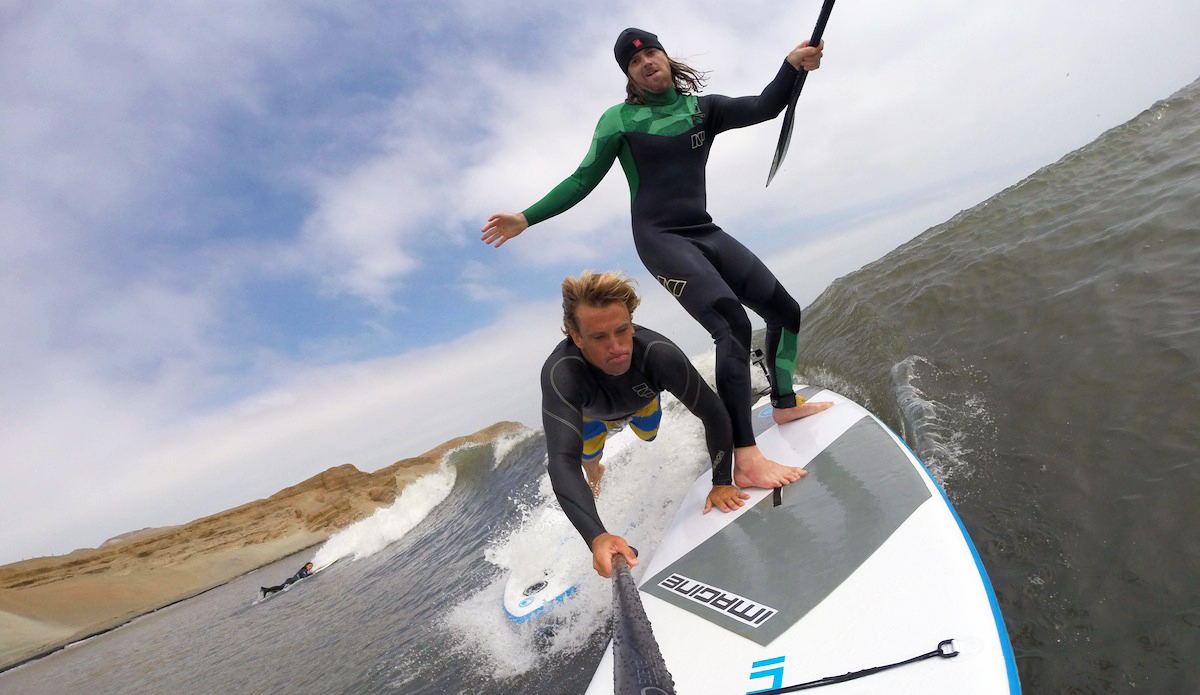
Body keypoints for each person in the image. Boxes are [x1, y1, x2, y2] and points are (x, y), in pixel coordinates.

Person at [483, 28, 832, 489]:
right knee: (731, 325)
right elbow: (582, 179)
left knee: (785, 312)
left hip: (704, 230)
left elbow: (767, 105)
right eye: (634, 62)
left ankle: (784, 405)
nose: (646, 61)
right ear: (629, 76)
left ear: (665, 57)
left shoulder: (703, 110)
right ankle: (744, 456)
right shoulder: (619, 120)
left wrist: (792, 66)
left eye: (651, 52)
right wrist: (526, 218)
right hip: (660, 238)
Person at [542, 271, 763, 579]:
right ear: (576, 337)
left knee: (649, 435)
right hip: (591, 416)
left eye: (622, 330)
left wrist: (722, 482)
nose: (617, 346)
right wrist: (598, 536)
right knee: (586, 459)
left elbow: (713, 413)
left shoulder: (657, 355)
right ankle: (595, 472)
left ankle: (603, 456)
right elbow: (561, 461)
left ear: (632, 323)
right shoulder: (562, 373)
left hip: (641, 400)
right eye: (599, 337)